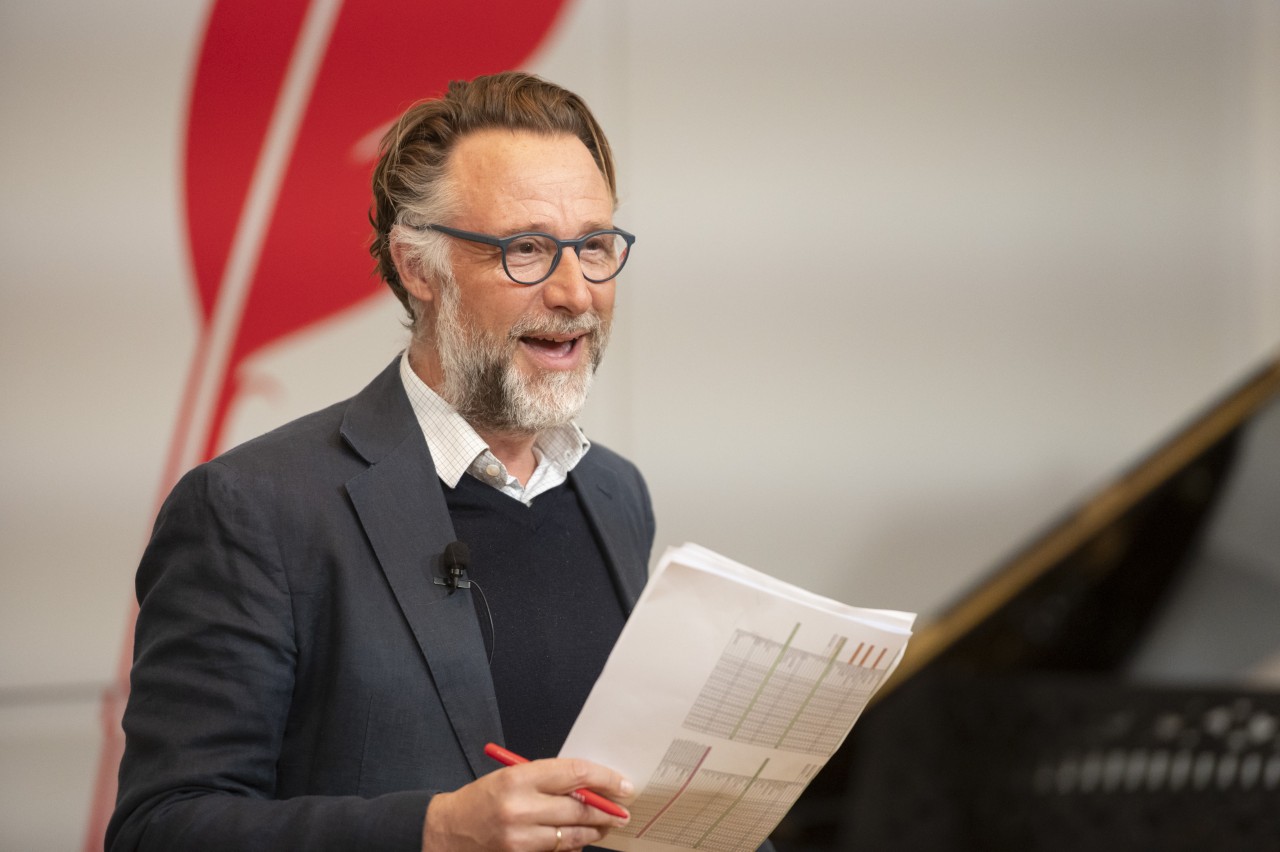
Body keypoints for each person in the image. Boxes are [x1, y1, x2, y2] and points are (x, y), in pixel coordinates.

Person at [107, 72, 655, 852]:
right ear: (418, 268)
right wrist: (433, 830)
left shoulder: (615, 494)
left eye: (594, 246)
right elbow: (161, 828)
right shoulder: (253, 509)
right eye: (527, 250)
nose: (576, 292)